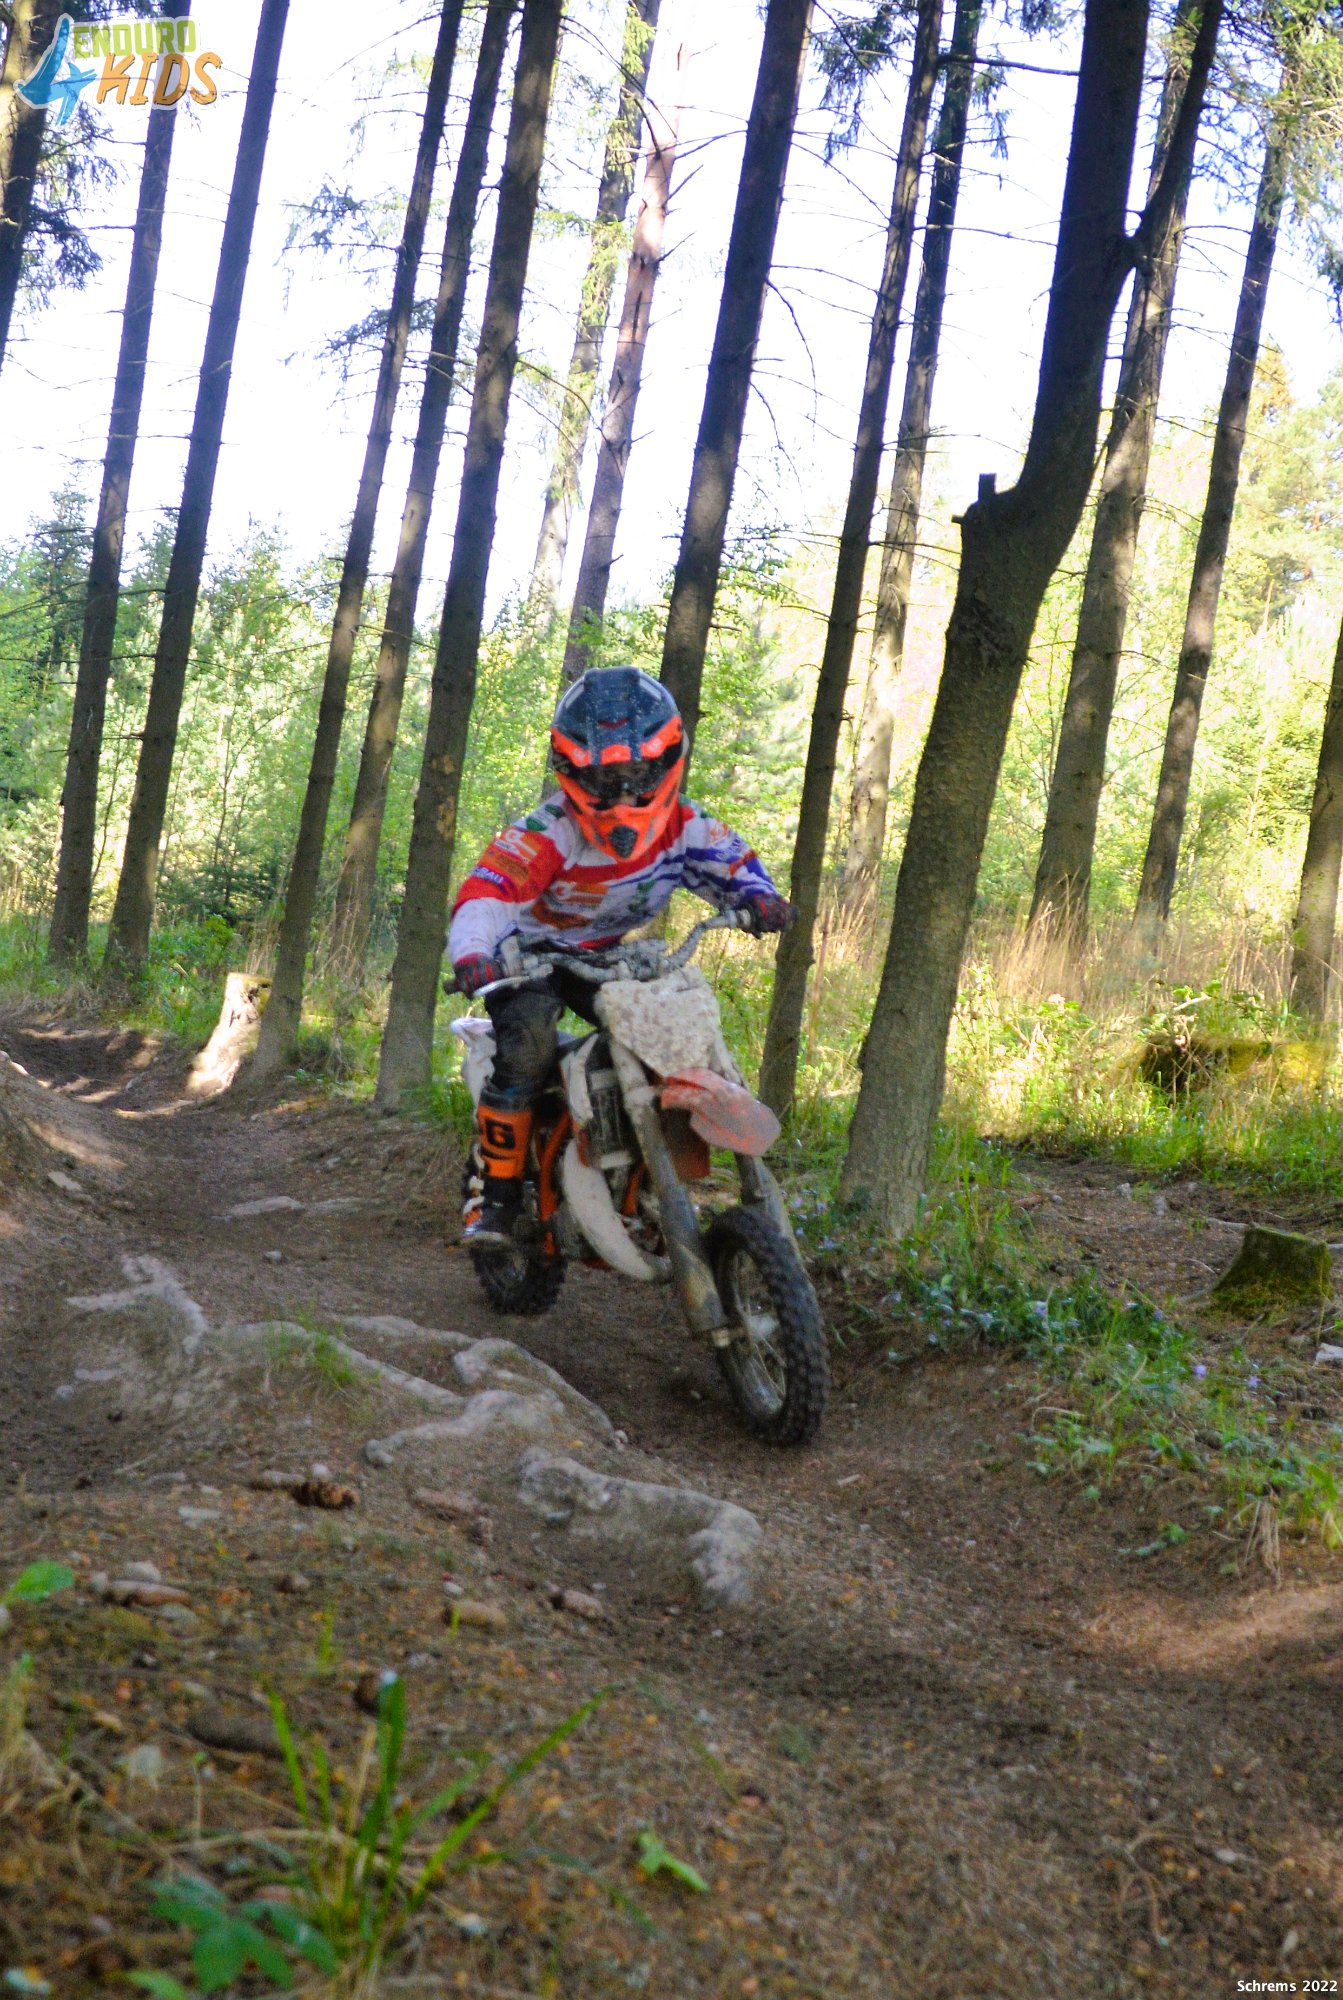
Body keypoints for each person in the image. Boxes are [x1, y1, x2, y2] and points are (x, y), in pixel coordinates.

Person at [449, 666, 793, 1245]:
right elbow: (488, 892)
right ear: (573, 770)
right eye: (607, 777)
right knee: (528, 1046)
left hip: (605, 955)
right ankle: (495, 1198)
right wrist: (473, 953)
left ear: (668, 759)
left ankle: (642, 1162)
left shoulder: (686, 826)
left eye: (638, 773)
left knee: (668, 1029)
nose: (626, 792)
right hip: (526, 957)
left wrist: (760, 898)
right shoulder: (546, 830)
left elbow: (735, 866)